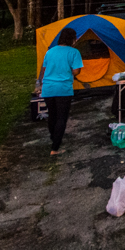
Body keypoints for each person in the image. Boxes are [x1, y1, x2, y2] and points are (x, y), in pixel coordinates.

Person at [35, 28, 83, 156]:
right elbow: (76, 71)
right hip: (63, 88)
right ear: (72, 39)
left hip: (48, 88)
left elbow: (43, 69)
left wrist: (40, 84)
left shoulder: (50, 52)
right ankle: (55, 148)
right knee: (62, 117)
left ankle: (54, 138)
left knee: (52, 115)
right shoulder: (74, 52)